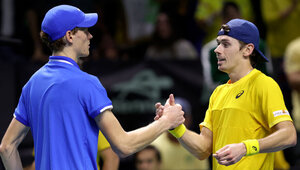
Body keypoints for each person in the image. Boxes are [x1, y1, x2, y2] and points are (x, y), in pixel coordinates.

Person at [0, 5, 185, 170]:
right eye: (85, 30)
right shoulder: (87, 83)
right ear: (69, 35)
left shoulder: (32, 84)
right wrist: (166, 121)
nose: (90, 35)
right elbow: (124, 146)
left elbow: (6, 147)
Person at [156, 18, 297, 169]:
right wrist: (176, 127)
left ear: (248, 50)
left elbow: (289, 135)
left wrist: (245, 148)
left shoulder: (264, 84)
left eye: (226, 44)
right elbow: (203, 149)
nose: (217, 50)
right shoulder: (218, 93)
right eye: (218, 44)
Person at [152, 97, 209, 170]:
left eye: (182, 116)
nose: (177, 120)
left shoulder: (197, 143)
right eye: (172, 116)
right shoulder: (154, 145)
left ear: (189, 119)